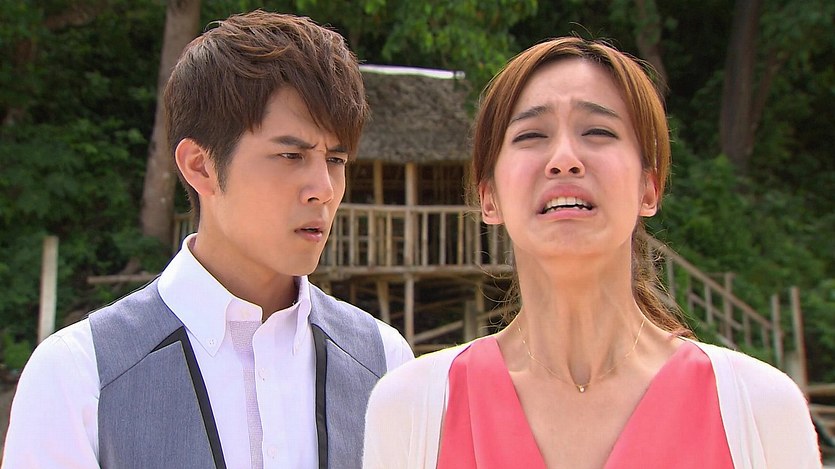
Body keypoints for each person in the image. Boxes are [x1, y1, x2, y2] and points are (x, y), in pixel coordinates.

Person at [363, 37, 820, 469]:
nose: (564, 159)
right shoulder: (413, 409)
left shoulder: (760, 411)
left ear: (649, 187)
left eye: (598, 131)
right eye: (531, 135)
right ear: (489, 198)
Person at [4, 10, 413, 469]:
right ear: (200, 166)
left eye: (335, 160)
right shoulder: (80, 376)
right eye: (290, 155)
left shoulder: (385, 362)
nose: (323, 188)